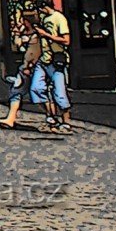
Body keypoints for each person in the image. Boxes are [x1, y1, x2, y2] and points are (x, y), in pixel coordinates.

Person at [1, 8, 48, 131]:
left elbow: (36, 52)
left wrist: (30, 66)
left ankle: (52, 117)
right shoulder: (26, 32)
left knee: (38, 93)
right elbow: (17, 45)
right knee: (16, 91)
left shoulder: (36, 35)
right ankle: (10, 119)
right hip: (25, 68)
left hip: (33, 68)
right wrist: (17, 33)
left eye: (23, 19)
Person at [33, 7, 75, 135]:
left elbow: (66, 40)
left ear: (44, 6)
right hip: (43, 60)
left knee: (60, 93)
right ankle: (51, 117)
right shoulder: (43, 18)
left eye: (39, 8)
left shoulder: (59, 18)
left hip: (56, 60)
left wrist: (46, 35)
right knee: (36, 88)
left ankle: (66, 122)